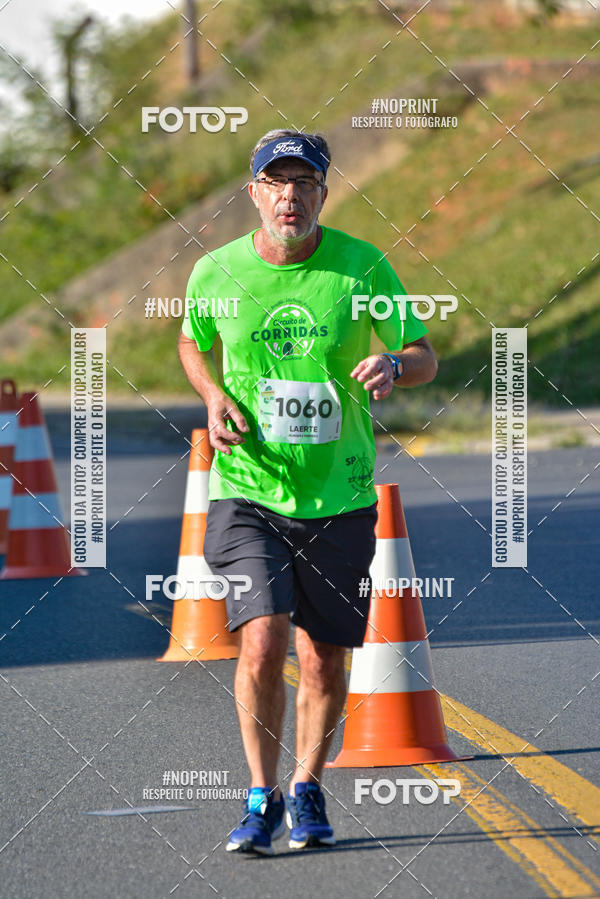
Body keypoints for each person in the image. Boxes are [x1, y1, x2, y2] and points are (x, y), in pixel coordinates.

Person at [178, 129, 438, 855]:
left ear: (323, 193)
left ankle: (307, 786)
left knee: (323, 656)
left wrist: (393, 364)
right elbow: (193, 339)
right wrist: (211, 394)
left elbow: (424, 355)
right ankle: (260, 796)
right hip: (248, 489)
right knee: (262, 640)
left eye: (305, 183)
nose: (290, 196)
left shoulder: (362, 266)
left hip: (341, 495)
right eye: (277, 182)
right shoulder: (216, 271)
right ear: (254, 192)